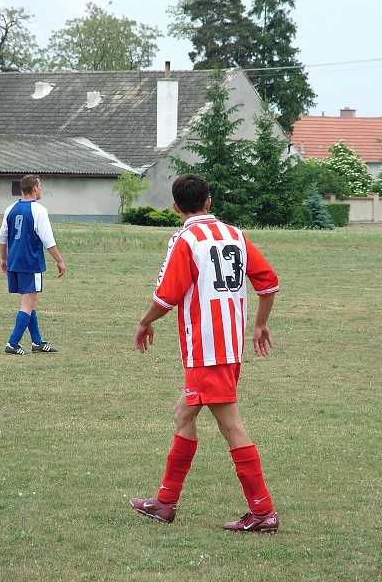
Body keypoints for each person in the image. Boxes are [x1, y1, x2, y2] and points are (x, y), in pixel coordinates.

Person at [131, 173, 280, 533]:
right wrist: (259, 325)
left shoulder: (184, 239)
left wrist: (144, 321)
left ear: (176, 207)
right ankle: (164, 503)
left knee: (230, 425)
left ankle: (262, 512)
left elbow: (166, 296)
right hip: (227, 345)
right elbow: (269, 282)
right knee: (183, 413)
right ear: (209, 202)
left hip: (206, 348)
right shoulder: (235, 235)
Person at [0, 174, 66, 355]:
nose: (41, 189)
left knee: (31, 301)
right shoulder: (39, 210)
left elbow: (2, 238)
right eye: (40, 186)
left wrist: (4, 259)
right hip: (30, 262)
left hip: (14, 262)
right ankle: (12, 343)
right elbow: (48, 240)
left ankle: (37, 342)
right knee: (28, 303)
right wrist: (59, 260)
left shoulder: (10, 209)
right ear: (35, 188)